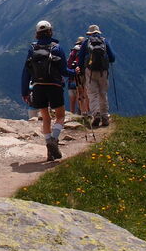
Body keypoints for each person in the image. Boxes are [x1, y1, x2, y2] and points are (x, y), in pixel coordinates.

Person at [21, 21, 75, 161]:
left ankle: (49, 148)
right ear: (50, 31)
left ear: (37, 33)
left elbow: (26, 72)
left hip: (38, 86)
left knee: (45, 118)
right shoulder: (57, 48)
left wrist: (25, 91)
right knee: (60, 116)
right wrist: (75, 72)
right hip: (54, 86)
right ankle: (54, 140)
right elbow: (64, 71)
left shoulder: (32, 49)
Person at [77, 24, 117, 127]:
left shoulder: (86, 42)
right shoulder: (104, 41)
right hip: (103, 72)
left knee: (92, 94)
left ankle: (96, 114)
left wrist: (81, 70)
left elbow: (80, 59)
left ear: (89, 33)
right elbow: (112, 58)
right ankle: (105, 117)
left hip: (90, 72)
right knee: (103, 93)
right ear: (98, 32)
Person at [67, 36, 86, 114]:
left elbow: (68, 65)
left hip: (72, 77)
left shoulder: (73, 51)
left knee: (72, 98)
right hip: (82, 77)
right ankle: (82, 112)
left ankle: (71, 113)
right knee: (82, 96)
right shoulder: (85, 51)